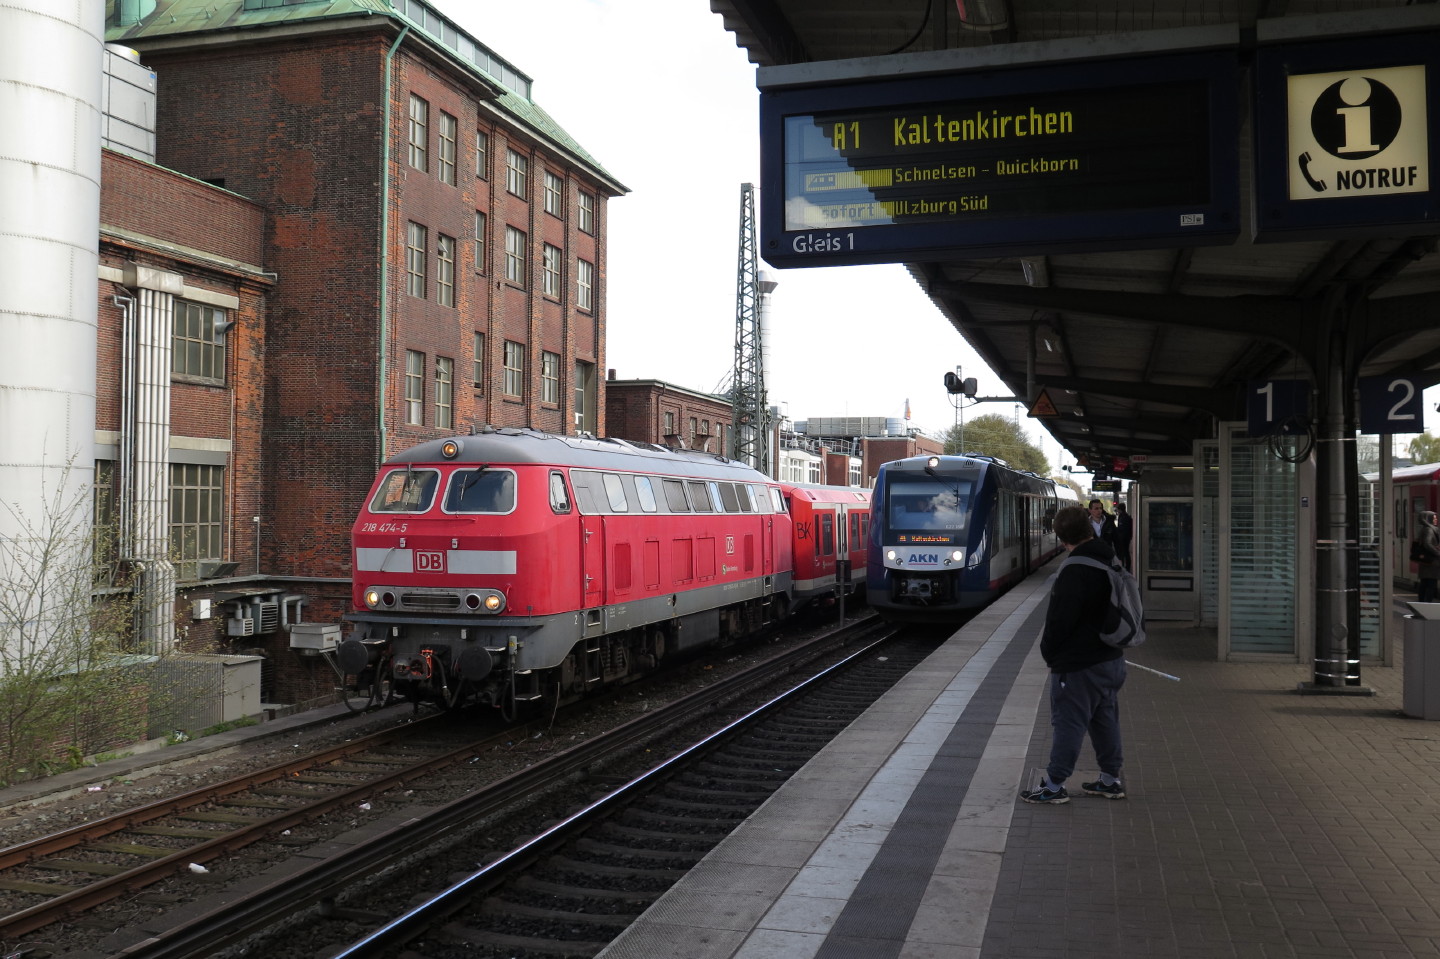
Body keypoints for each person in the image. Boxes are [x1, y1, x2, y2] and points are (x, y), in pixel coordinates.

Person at [1020, 504, 1128, 804]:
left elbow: (1059, 622)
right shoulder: (1109, 557)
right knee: (1104, 719)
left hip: (1079, 664)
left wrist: (1050, 655)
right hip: (1111, 658)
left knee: (1069, 723)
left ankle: (1054, 785)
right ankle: (1110, 779)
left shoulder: (1075, 568)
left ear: (1061, 536)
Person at [1418, 511, 1440, 603]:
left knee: (1425, 584)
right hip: (1431, 562)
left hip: (1427, 562)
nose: (1436, 520)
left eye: (1436, 518)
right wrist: (1438, 553)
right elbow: (1427, 543)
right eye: (1434, 518)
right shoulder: (1429, 529)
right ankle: (1427, 605)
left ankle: (1422, 604)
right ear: (1428, 519)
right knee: (1431, 584)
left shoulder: (1425, 528)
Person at [1113, 502, 1134, 572]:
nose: (1117, 511)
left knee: (1124, 552)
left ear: (1120, 509)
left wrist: (1115, 529)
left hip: (1123, 538)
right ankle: (1127, 566)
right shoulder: (1127, 516)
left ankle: (1125, 567)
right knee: (1126, 552)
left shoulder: (1123, 517)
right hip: (1127, 537)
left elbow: (1121, 528)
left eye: (1118, 510)